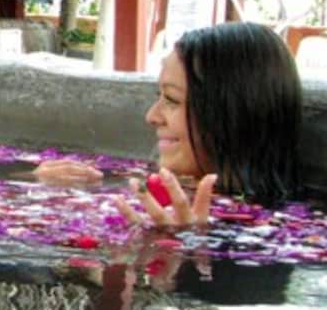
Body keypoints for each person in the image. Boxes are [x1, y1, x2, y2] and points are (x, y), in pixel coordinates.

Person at [35, 22, 303, 225]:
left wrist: (184, 247)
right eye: (159, 96)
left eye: (172, 99)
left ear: (234, 116)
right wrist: (37, 181)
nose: (151, 116)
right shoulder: (153, 184)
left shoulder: (266, 228)